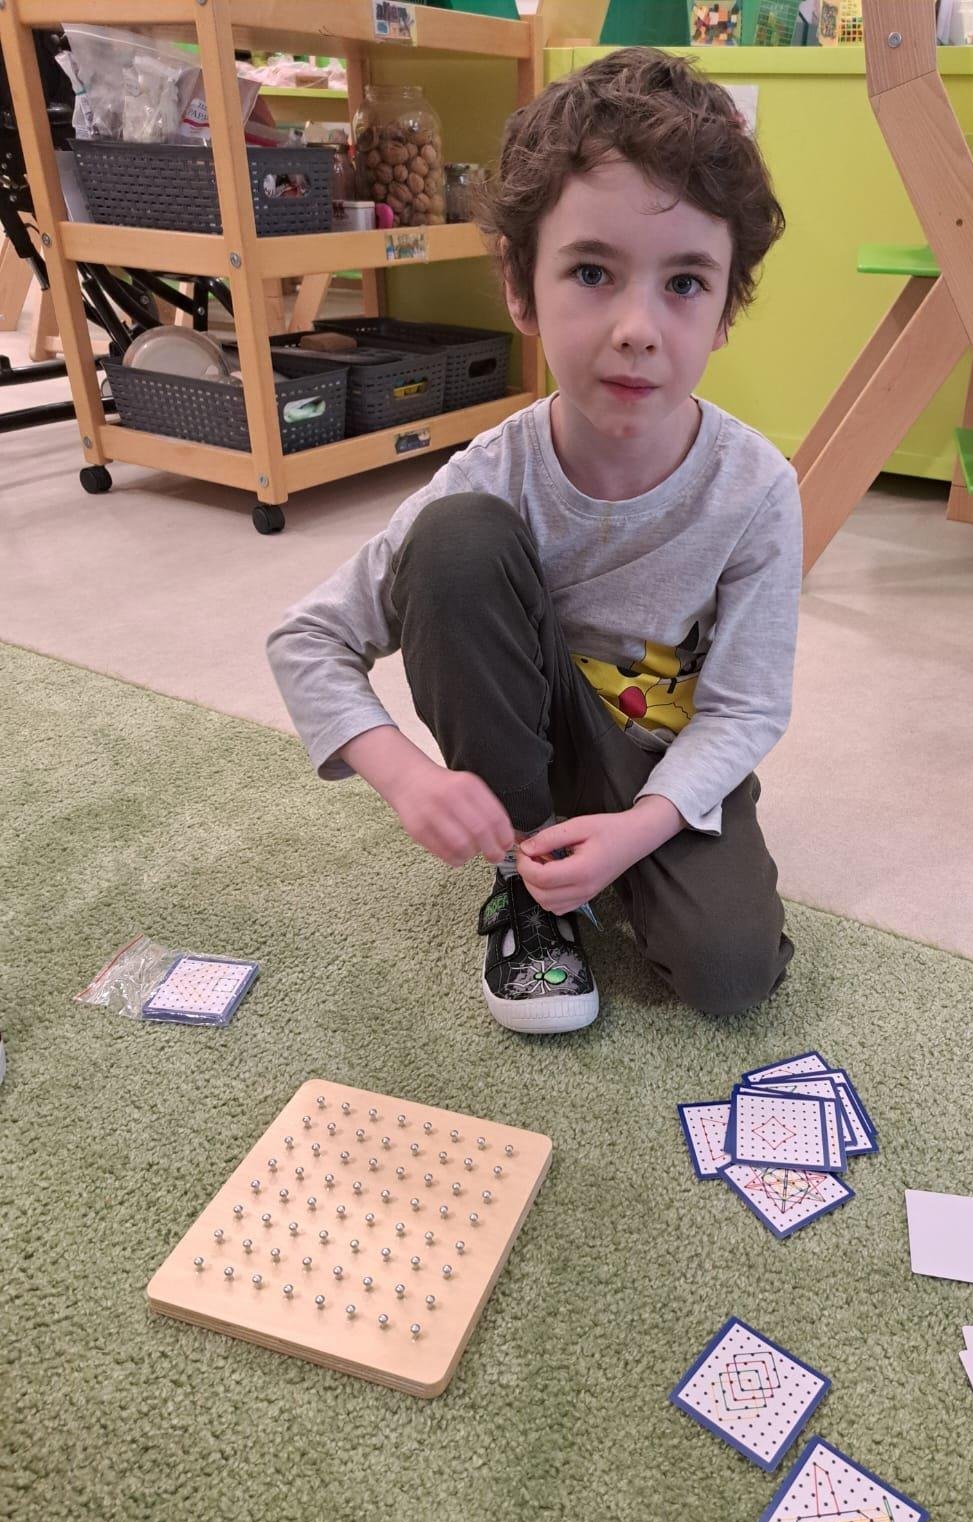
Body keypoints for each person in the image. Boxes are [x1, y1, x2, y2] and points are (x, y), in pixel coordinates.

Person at [267, 46, 802, 1035]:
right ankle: (526, 867)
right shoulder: (494, 471)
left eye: (686, 282)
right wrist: (406, 775)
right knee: (456, 542)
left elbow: (746, 707)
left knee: (732, 974)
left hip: (655, 762)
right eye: (592, 272)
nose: (638, 327)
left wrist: (642, 832)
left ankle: (601, 858)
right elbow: (306, 639)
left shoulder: (758, 488)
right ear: (521, 287)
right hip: (528, 750)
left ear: (728, 308)